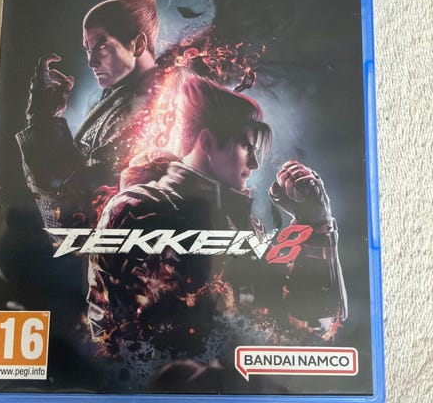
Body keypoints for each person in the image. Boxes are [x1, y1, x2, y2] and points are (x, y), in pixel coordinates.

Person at [87, 74, 347, 361]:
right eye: (246, 146)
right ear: (208, 142)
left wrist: (316, 227)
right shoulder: (135, 210)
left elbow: (310, 324)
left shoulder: (249, 228)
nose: (254, 163)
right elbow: (115, 335)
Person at [16, 0, 161, 229]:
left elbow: (77, 214)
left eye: (101, 46)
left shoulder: (147, 109)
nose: (91, 62)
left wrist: (41, 120)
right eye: (87, 49)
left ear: (137, 44)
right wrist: (45, 119)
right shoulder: (123, 98)